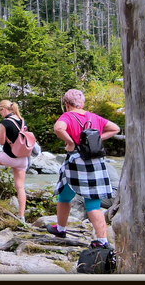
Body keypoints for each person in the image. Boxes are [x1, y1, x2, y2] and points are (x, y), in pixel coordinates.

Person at [46, 89, 120, 249]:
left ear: (66, 104)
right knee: (92, 203)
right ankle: (102, 240)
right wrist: (98, 137)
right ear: (83, 103)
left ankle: (61, 228)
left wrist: (70, 142)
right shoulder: (94, 117)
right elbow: (115, 128)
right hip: (95, 162)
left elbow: (59, 128)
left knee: (65, 195)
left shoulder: (67, 116)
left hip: (76, 161)